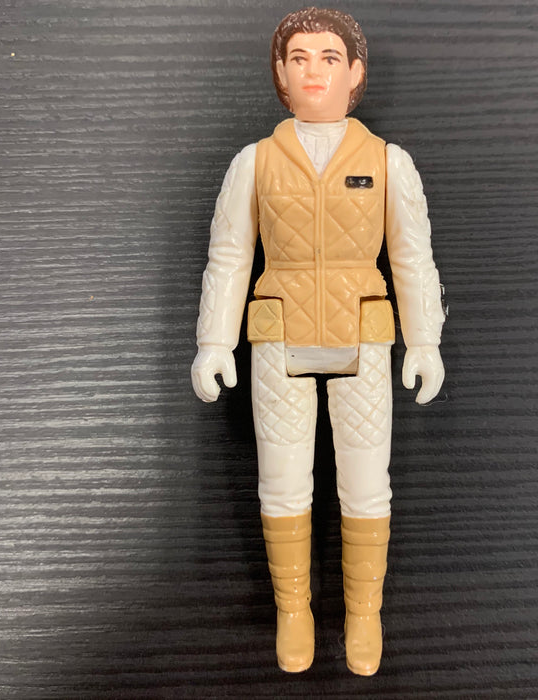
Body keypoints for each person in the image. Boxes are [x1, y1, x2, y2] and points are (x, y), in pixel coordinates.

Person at [191, 7, 445, 676]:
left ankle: (365, 611)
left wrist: (424, 340)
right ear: (280, 71)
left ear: (355, 72)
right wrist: (213, 342)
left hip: (363, 336)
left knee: (366, 484)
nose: (313, 70)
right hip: (279, 337)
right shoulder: (253, 163)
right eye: (299, 57)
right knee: (281, 482)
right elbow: (229, 256)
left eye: (329, 57)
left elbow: (412, 257)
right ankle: (292, 609)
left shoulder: (388, 163)